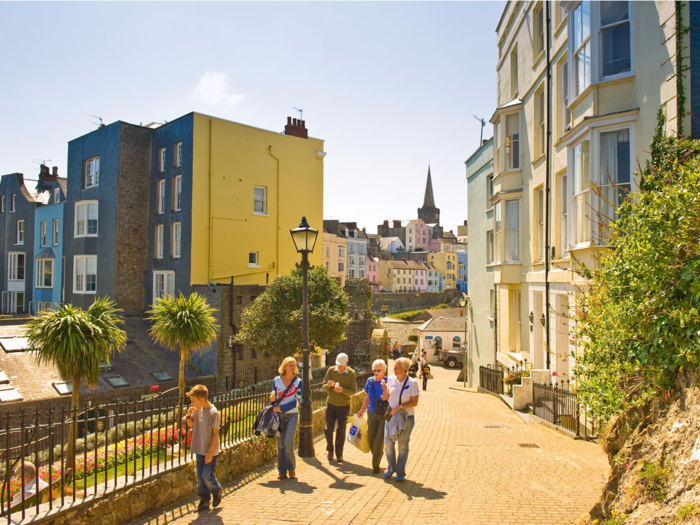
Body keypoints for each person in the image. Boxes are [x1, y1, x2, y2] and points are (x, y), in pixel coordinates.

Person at [183, 384, 223, 512]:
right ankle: (204, 500)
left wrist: (211, 452)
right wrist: (188, 416)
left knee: (206, 474)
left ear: (201, 400)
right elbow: (189, 424)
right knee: (200, 477)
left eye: (193, 401)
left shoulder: (213, 413)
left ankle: (217, 490)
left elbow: (215, 433)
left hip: (209, 449)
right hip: (199, 447)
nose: (192, 404)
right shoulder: (197, 410)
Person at [381, 357, 420, 482]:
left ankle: (400, 472)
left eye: (396, 367)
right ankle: (391, 468)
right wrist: (384, 391)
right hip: (391, 416)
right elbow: (387, 397)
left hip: (406, 417)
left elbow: (414, 402)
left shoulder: (412, 383)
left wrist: (400, 407)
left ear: (404, 369)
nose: (394, 369)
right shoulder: (391, 379)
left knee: (402, 445)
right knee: (388, 443)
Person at [270, 357, 302, 480]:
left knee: (288, 442)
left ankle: (291, 468)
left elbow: (297, 401)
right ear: (284, 367)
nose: (293, 367)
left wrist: (281, 408)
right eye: (290, 365)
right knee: (281, 444)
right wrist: (272, 401)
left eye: (294, 365)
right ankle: (281, 470)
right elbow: (274, 399)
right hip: (279, 417)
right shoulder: (276, 381)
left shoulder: (298, 382)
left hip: (292, 416)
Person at [322, 353, 356, 462]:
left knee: (341, 430)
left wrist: (342, 390)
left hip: (343, 406)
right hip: (331, 404)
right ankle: (330, 449)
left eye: (342, 365)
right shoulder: (331, 371)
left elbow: (352, 391)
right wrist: (328, 385)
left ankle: (339, 453)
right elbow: (323, 386)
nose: (340, 367)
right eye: (338, 365)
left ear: (346, 363)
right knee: (328, 429)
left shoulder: (351, 373)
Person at [356, 359, 388, 474]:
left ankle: (376, 465)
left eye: (378, 370)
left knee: (379, 439)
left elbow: (389, 398)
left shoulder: (388, 381)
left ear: (384, 370)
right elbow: (367, 397)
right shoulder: (369, 381)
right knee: (370, 438)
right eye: (374, 370)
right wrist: (361, 410)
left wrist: (385, 391)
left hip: (384, 414)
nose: (376, 372)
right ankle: (378, 454)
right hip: (372, 413)